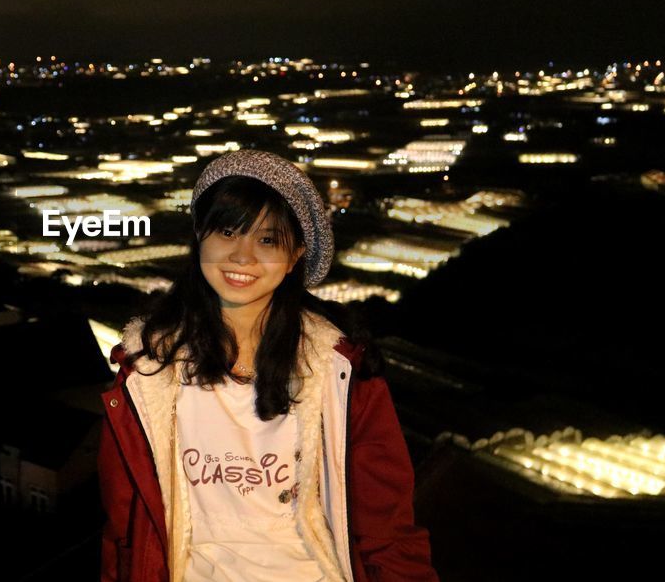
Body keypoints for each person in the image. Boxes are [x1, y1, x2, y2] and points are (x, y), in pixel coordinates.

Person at [99, 149, 439, 582]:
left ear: (296, 253)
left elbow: (388, 532)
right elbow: (123, 532)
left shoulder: (342, 375)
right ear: (199, 235)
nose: (242, 257)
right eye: (227, 231)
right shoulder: (145, 377)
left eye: (267, 240)